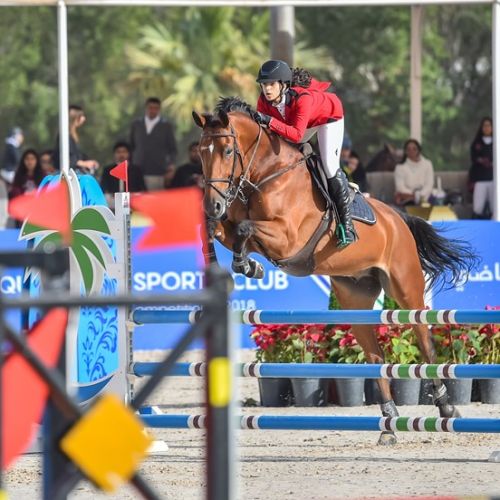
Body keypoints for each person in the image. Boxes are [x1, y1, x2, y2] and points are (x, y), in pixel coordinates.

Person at [253, 60, 357, 247]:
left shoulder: (303, 98)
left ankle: (346, 224)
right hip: (299, 124)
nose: (267, 89)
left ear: (283, 85)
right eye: (264, 84)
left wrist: (269, 121)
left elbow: (296, 135)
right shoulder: (263, 101)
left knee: (329, 165)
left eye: (271, 84)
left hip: (328, 119)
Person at [130, 96, 177, 192]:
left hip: (157, 171)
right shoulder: (136, 124)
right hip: (137, 170)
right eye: (150, 108)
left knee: (155, 198)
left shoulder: (166, 126)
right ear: (146, 108)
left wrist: (170, 165)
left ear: (159, 109)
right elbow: (131, 146)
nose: (153, 110)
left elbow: (172, 149)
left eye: (156, 108)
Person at [53, 105, 100, 174]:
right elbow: (67, 158)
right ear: (74, 118)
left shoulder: (72, 135)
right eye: (81, 116)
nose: (84, 119)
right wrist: (84, 163)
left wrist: (89, 161)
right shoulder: (65, 136)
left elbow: (78, 155)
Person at [100, 141, 145, 208]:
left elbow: (142, 189)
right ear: (114, 154)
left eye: (124, 152)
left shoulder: (136, 170)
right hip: (113, 201)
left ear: (128, 154)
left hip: (132, 200)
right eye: (118, 152)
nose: (121, 154)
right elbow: (103, 188)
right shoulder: (108, 170)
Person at [394, 139, 434, 207]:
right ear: (405, 151)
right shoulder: (400, 167)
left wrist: (420, 195)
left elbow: (429, 184)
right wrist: (414, 196)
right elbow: (400, 187)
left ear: (419, 150)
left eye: (414, 149)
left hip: (425, 197)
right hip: (407, 198)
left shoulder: (428, 164)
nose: (411, 151)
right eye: (408, 149)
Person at [468, 117, 493, 218]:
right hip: (480, 179)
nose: (487, 128)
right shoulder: (477, 143)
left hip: (493, 179)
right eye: (484, 126)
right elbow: (473, 158)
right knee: (478, 207)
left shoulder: (497, 141)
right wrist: (482, 161)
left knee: (495, 207)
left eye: (489, 125)